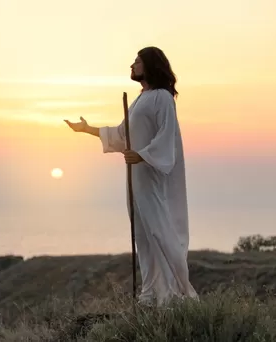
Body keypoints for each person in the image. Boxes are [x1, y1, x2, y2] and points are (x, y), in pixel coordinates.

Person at [64, 46, 198, 307]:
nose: (132, 66)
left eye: (136, 62)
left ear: (149, 65)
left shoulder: (162, 97)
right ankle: (151, 294)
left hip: (151, 176)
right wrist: (86, 129)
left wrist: (143, 156)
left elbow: (166, 135)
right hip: (136, 178)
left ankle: (179, 293)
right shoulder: (140, 99)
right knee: (144, 236)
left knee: (159, 231)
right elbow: (121, 134)